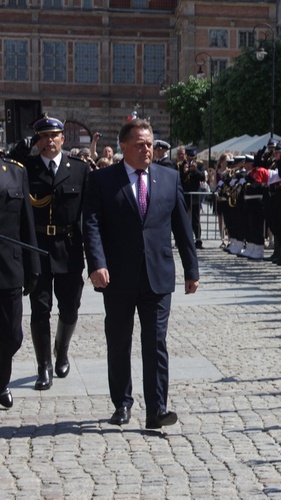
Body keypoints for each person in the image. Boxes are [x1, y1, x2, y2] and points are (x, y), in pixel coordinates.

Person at [82, 118, 199, 429]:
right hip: (117, 276)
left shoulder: (169, 177)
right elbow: (91, 225)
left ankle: (157, 409)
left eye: (149, 143)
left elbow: (182, 227)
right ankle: (122, 402)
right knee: (119, 341)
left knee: (156, 342)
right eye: (140, 144)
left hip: (158, 275)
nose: (147, 149)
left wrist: (192, 269)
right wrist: (96, 263)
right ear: (124, 147)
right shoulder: (103, 181)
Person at [10, 114, 89, 391]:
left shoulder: (78, 169)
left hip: (68, 249)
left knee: (70, 307)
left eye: (54, 136)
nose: (49, 141)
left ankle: (62, 350)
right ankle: (43, 366)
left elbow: (87, 217)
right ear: (37, 141)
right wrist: (21, 148)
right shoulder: (25, 168)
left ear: (63, 139)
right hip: (37, 249)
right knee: (39, 309)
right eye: (43, 136)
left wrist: (94, 258)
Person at [0, 154, 41, 408]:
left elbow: (27, 221)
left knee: (12, 335)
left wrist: (33, 267)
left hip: (9, 268)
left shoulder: (16, 172)